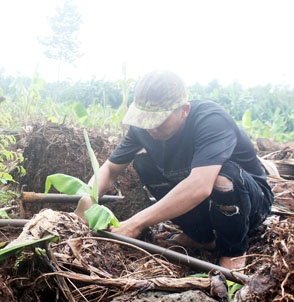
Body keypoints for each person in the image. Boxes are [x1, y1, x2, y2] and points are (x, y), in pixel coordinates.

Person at [75, 70, 273, 270]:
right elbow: (110, 169)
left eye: (159, 121)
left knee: (223, 177)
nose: (151, 129)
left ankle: (233, 251)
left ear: (184, 110)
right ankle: (202, 238)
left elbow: (200, 186)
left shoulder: (210, 120)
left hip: (249, 203)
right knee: (143, 164)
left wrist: (135, 223)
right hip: (202, 201)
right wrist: (87, 199)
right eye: (146, 121)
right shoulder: (142, 129)